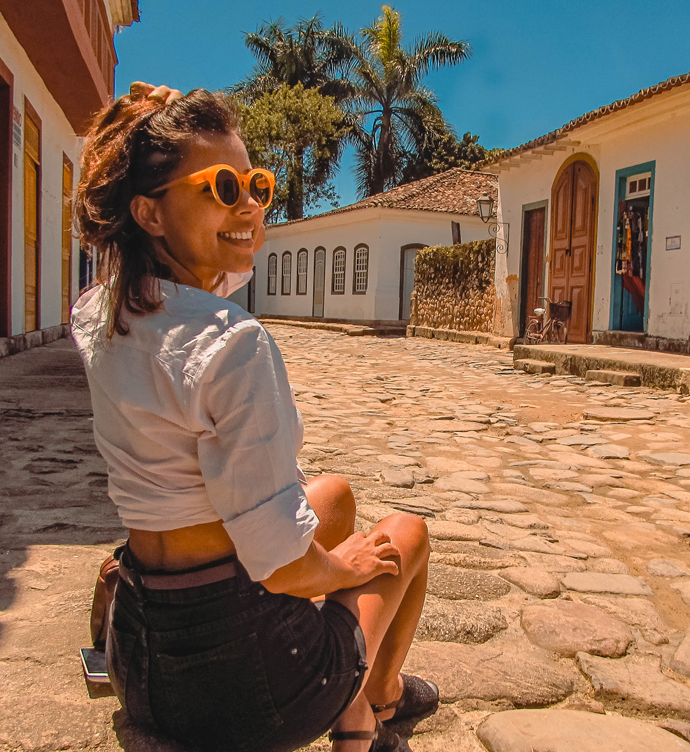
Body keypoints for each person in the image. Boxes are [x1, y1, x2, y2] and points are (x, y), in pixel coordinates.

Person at [71, 82, 435, 752]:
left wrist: (147, 130)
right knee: (402, 536)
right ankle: (369, 702)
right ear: (150, 214)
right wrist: (343, 565)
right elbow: (282, 568)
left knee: (334, 493)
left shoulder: (99, 311)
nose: (248, 207)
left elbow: (205, 265)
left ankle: (363, 697)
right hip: (244, 692)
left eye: (254, 185)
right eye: (220, 188)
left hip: (145, 657)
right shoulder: (232, 346)